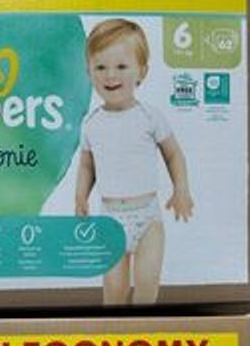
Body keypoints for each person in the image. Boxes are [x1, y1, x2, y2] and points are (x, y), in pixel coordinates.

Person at [75, 19, 193, 304]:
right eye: (100, 67)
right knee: (113, 292)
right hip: (110, 218)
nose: (110, 75)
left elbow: (173, 154)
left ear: (142, 71)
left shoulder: (149, 117)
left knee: (146, 282)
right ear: (89, 72)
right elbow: (87, 165)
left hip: (147, 216)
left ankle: (144, 323)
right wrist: (80, 196)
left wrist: (181, 189)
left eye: (121, 66)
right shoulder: (91, 123)